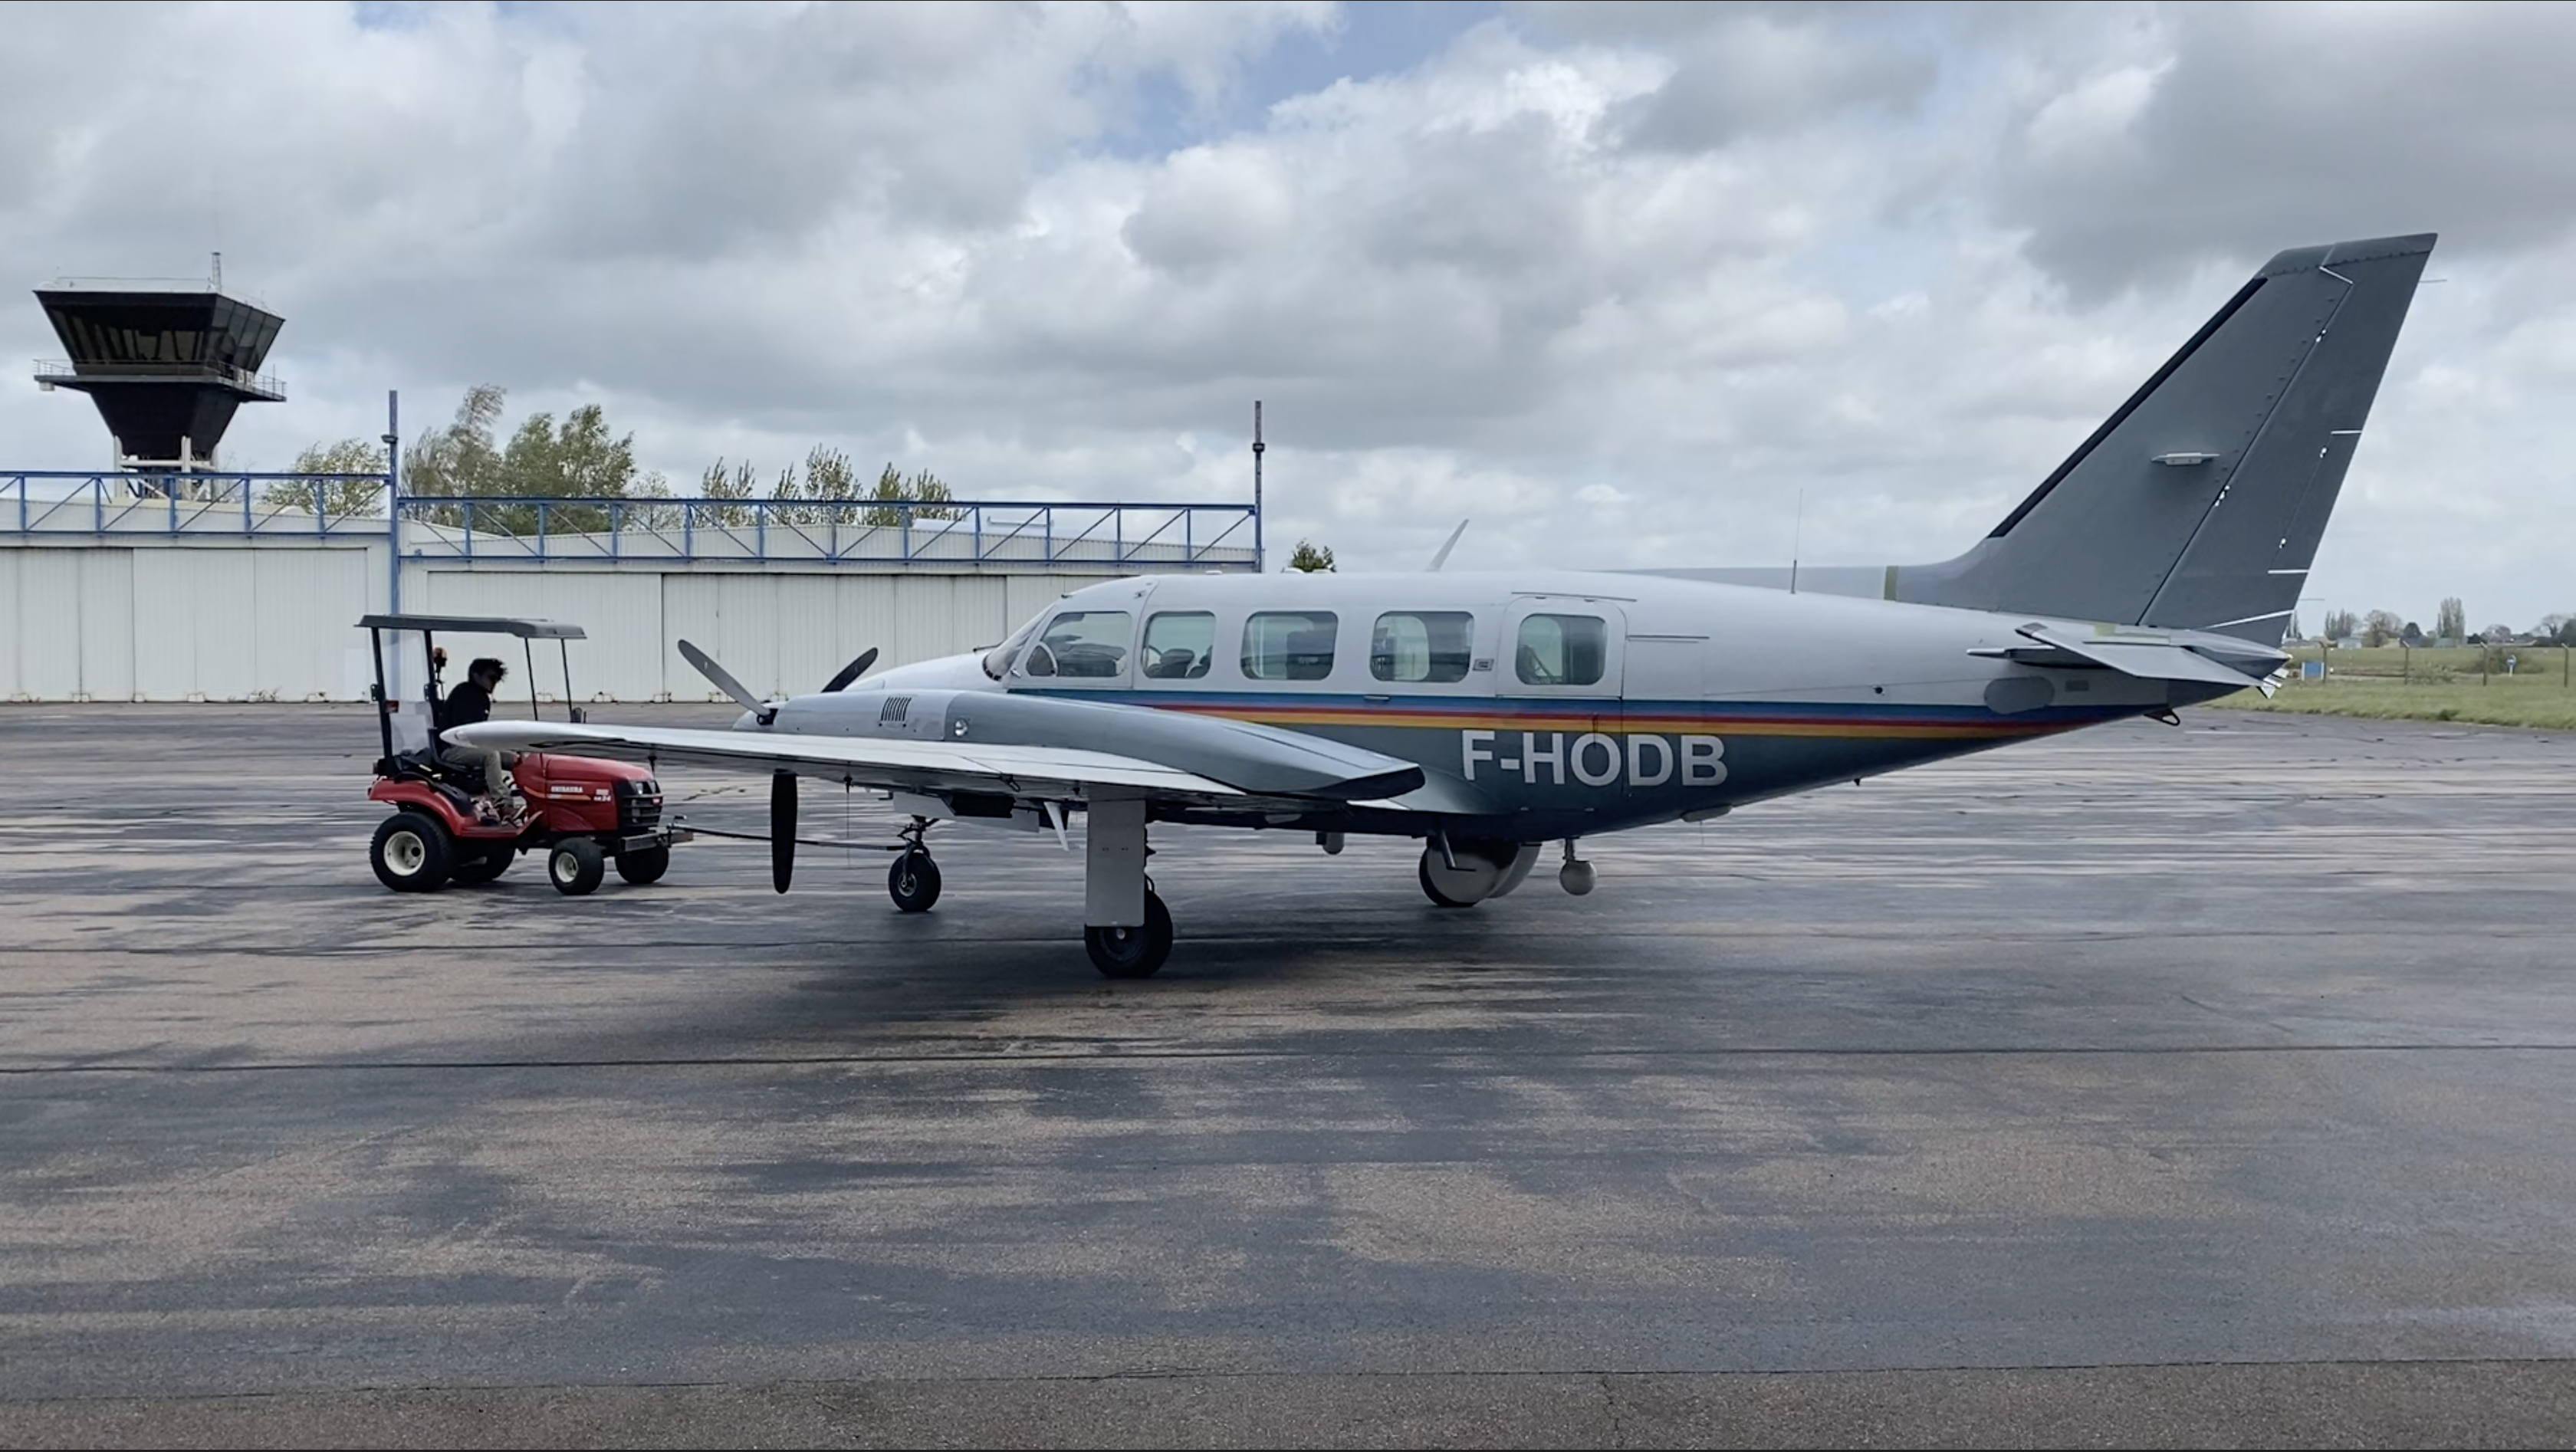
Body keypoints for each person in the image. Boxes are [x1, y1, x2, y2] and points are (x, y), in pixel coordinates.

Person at [437, 657, 524, 823]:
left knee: (515, 758)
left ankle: (529, 800)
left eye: (497, 680)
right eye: (491, 678)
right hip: (451, 749)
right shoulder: (464, 694)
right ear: (476, 676)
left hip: (469, 747)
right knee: (491, 756)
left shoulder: (481, 698)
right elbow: (463, 731)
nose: (494, 683)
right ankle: (502, 804)